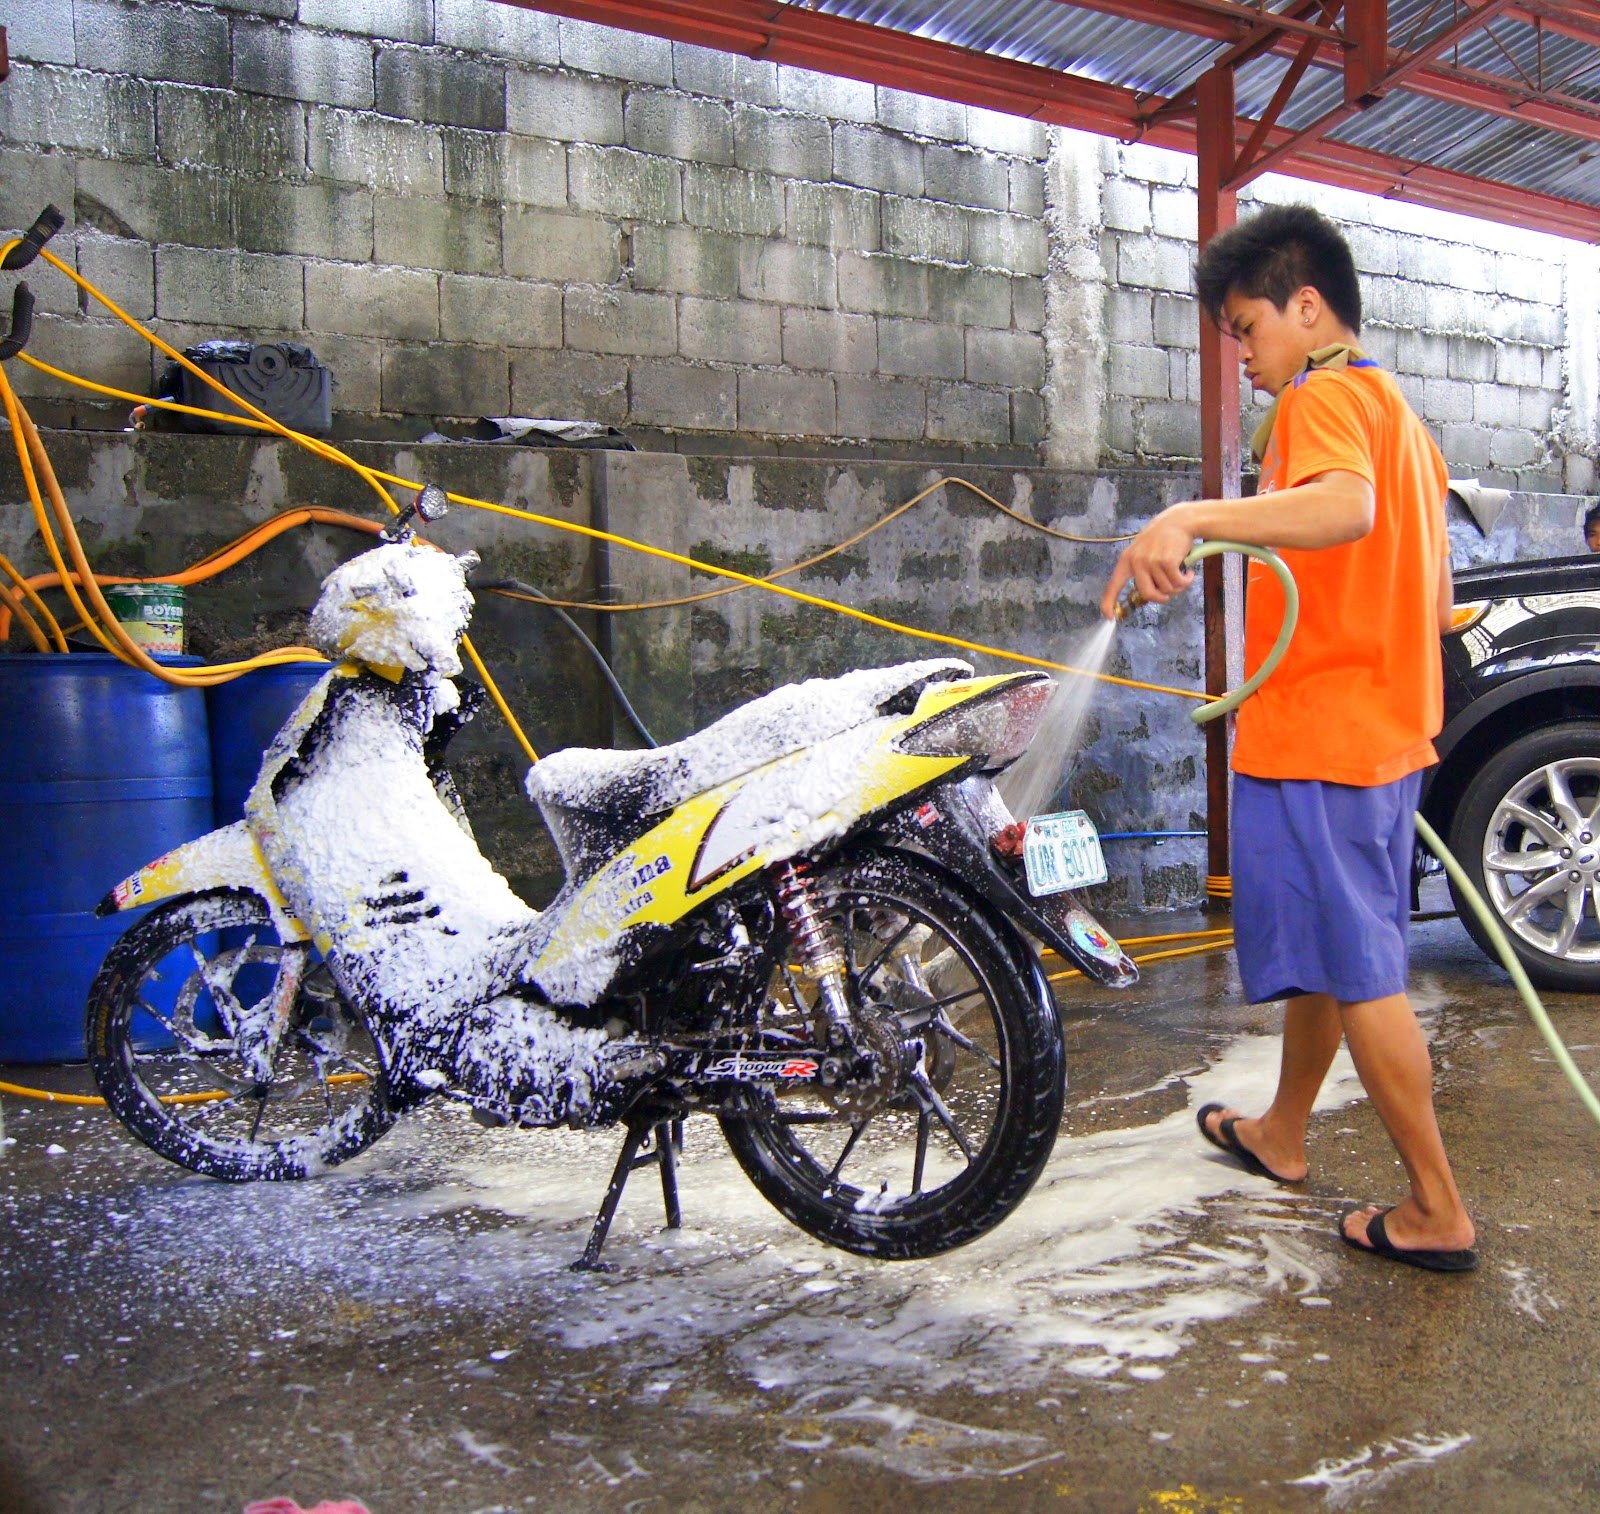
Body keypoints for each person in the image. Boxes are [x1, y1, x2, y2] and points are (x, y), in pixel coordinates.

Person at [1099, 203, 1477, 1273]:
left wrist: (1191, 519)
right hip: (1385, 729)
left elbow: (1344, 511)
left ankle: (1436, 1207)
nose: (1246, 357)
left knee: (1361, 971)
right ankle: (1283, 1131)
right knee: (1330, 954)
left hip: (1325, 734)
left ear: (1306, 309)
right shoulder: (1395, 407)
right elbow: (1435, 582)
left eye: (1246, 327)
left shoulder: (1320, 396)